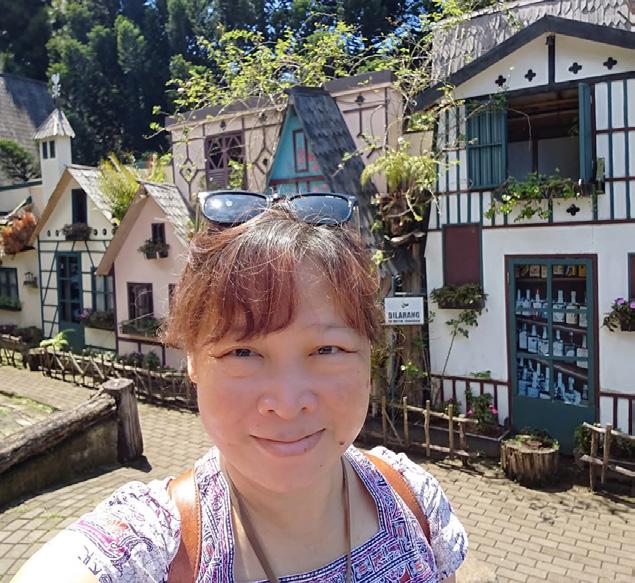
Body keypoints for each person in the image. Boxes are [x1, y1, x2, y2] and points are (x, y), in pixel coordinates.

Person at [12, 192, 467, 583]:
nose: (287, 404)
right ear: (192, 359)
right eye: (242, 352)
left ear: (370, 354)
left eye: (327, 349)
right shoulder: (153, 549)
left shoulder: (414, 502)